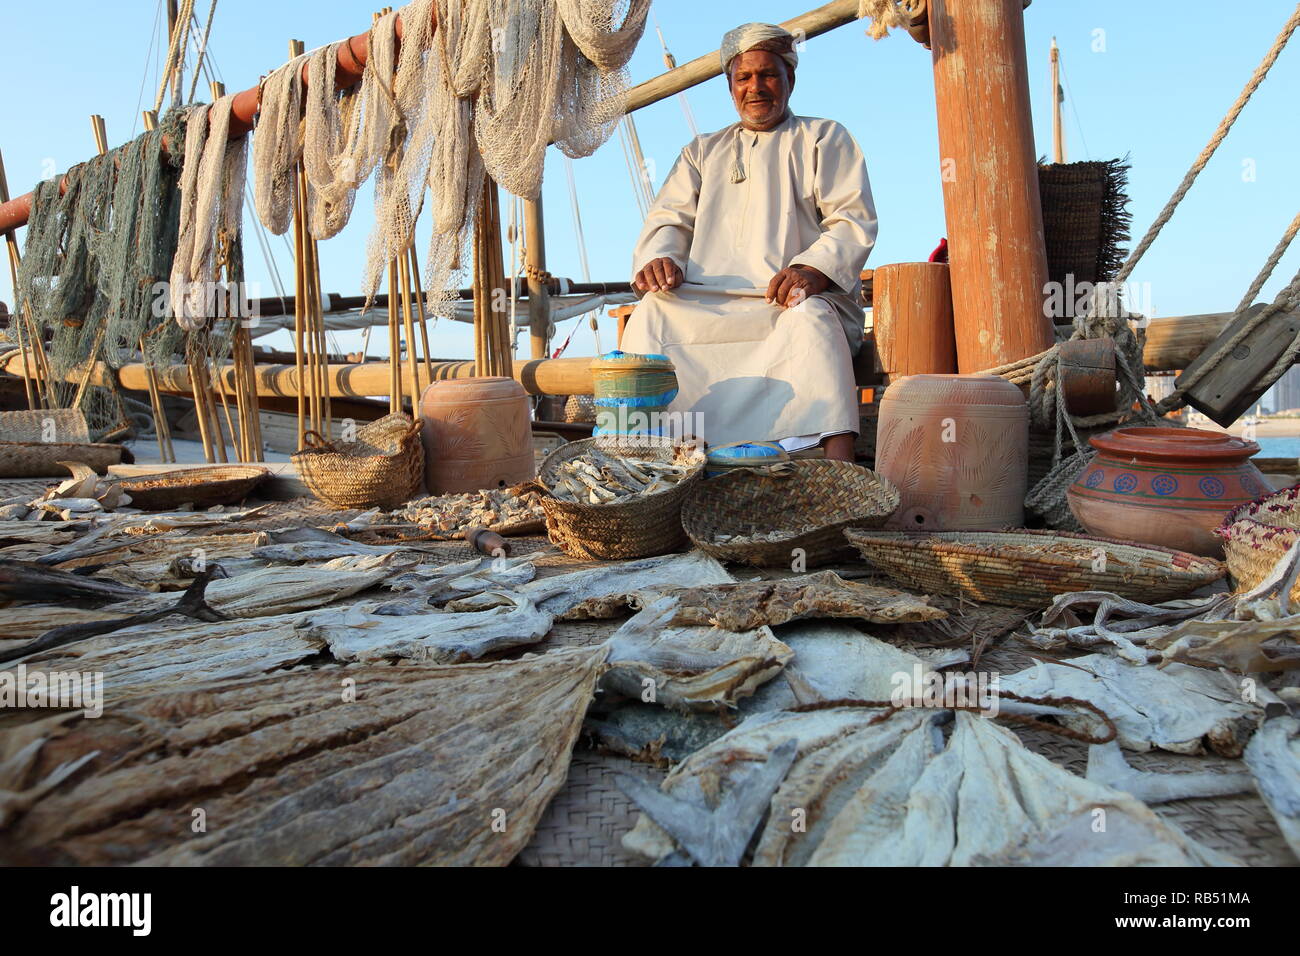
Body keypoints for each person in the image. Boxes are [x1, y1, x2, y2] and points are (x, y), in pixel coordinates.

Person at [620, 22, 877, 460]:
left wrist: (812, 269)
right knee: (651, 317)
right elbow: (669, 223)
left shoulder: (823, 137)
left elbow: (851, 219)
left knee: (812, 320)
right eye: (744, 77)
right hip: (709, 304)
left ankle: (837, 471)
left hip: (787, 298)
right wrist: (661, 259)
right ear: (730, 85)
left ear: (789, 79)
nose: (755, 87)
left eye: (768, 75)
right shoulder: (701, 151)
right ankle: (639, 465)